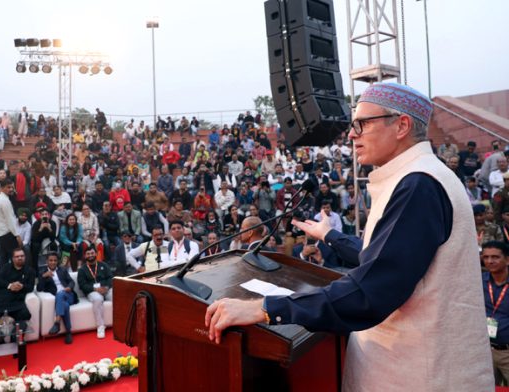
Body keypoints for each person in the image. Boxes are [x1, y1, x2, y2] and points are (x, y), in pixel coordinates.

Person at [205, 83, 493, 391]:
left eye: (362, 124)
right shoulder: (420, 177)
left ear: (402, 125)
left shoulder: (418, 185)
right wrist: (330, 235)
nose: (352, 134)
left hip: (422, 376)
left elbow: (371, 290)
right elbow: (390, 257)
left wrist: (264, 308)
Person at [0, 248, 35, 331]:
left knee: (24, 315)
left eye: (22, 256)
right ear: (13, 258)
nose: (20, 258)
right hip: (1, 299)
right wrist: (10, 285)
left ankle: (16, 338)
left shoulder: (30, 271)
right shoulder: (6, 267)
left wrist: (22, 287)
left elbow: (30, 287)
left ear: (25, 257)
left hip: (16, 301)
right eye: (17, 256)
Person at [480, 241, 509, 385]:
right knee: (486, 387)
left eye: (495, 257)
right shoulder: (479, 282)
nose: (490, 261)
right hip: (485, 350)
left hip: (507, 351)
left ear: (507, 259)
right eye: (486, 257)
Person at [38, 253, 78, 344]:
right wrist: (44, 277)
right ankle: (68, 332)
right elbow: (39, 288)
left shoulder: (62, 270)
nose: (53, 262)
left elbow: (71, 282)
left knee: (60, 295)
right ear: (46, 261)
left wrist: (69, 287)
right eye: (50, 260)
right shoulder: (42, 272)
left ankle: (57, 323)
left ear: (57, 261)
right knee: (65, 305)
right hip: (59, 299)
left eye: (55, 260)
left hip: (68, 295)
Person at [77, 246, 113, 339]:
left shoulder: (103, 265)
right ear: (85, 256)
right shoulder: (82, 270)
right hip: (92, 291)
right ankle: (100, 326)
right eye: (88, 254)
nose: (90, 255)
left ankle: (120, 322)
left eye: (92, 253)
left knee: (116, 295)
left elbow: (110, 278)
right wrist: (95, 289)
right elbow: (82, 285)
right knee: (97, 299)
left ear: (96, 254)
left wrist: (106, 287)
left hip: (105, 289)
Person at [0, 179, 22, 268]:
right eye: (8, 187)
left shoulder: (0, 198)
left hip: (1, 234)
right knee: (13, 258)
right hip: (7, 234)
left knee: (4, 259)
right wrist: (17, 235)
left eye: (12, 187)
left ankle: (3, 277)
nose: (11, 189)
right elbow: (10, 220)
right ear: (1, 188)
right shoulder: (4, 200)